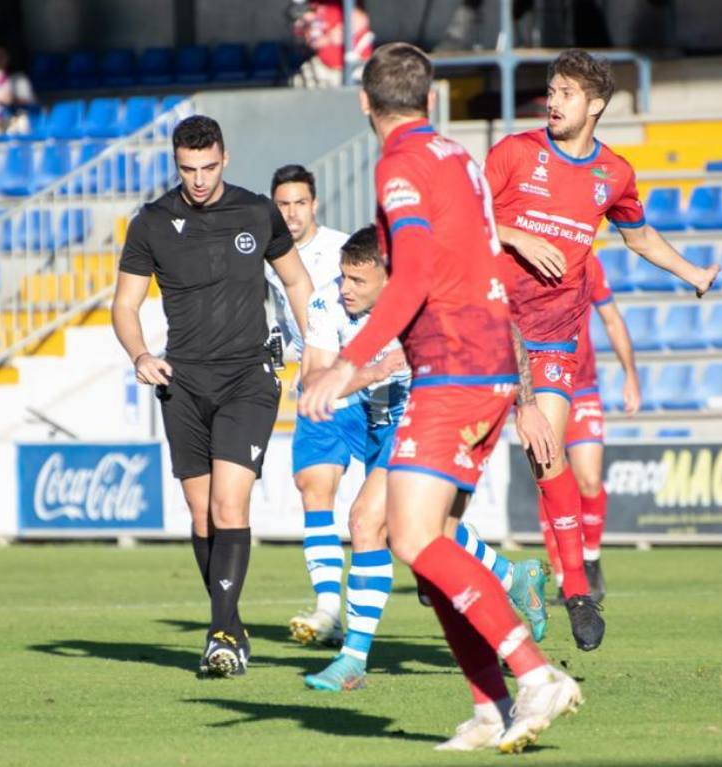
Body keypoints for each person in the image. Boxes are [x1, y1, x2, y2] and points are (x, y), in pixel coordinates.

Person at [300, 42, 579, 754]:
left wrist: (349, 364)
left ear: (364, 101)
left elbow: (416, 269)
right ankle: (488, 707)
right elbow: (480, 259)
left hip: (451, 366)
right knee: (429, 549)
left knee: (413, 538)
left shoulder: (400, 165)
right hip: (486, 361)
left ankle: (534, 673)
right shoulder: (460, 159)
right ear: (430, 98)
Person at [484, 48, 717, 651]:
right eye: (551, 90)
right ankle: (495, 569)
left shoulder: (613, 173)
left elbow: (636, 234)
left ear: (595, 105)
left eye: (564, 92)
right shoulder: (514, 153)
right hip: (488, 330)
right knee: (455, 479)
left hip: (555, 336)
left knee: (545, 452)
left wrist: (691, 270)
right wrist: (516, 234)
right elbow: (467, 220)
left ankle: (578, 590)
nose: (552, 100)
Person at [111, 115, 314, 678]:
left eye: (207, 167)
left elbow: (296, 281)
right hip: (182, 381)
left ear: (224, 158)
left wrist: (314, 350)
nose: (198, 180)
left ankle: (220, 634)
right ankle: (231, 622)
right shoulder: (151, 222)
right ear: (176, 164)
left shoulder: (255, 211)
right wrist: (141, 356)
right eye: (186, 169)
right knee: (201, 516)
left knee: (230, 505)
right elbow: (124, 306)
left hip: (248, 378)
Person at [296, 226, 410, 690]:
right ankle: (512, 577)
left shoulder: (422, 308)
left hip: (421, 420)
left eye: (358, 281)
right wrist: (376, 371)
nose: (345, 289)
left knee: (369, 522)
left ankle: (352, 659)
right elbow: (313, 380)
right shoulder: (326, 301)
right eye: (344, 277)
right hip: (371, 418)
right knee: (412, 535)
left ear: (389, 279)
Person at [266, 165, 353, 648]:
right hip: (316, 388)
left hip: (367, 383)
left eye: (300, 203)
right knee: (314, 488)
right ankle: (328, 609)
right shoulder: (267, 256)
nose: (292, 212)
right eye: (283, 204)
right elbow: (281, 324)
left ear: (314, 204)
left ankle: (506, 576)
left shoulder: (344, 250)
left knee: (405, 517)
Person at [548, 253, 639, 604]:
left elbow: (612, 319)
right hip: (542, 387)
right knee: (552, 480)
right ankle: (563, 576)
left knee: (587, 478)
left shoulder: (586, 261)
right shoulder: (520, 262)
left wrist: (630, 374)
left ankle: (591, 559)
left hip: (581, 385)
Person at [290, 0, 374, 88]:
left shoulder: (337, 5)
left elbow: (361, 20)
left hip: (356, 65)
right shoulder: (310, 9)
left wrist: (340, 32)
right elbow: (311, 41)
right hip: (325, 68)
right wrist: (326, 38)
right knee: (298, 81)